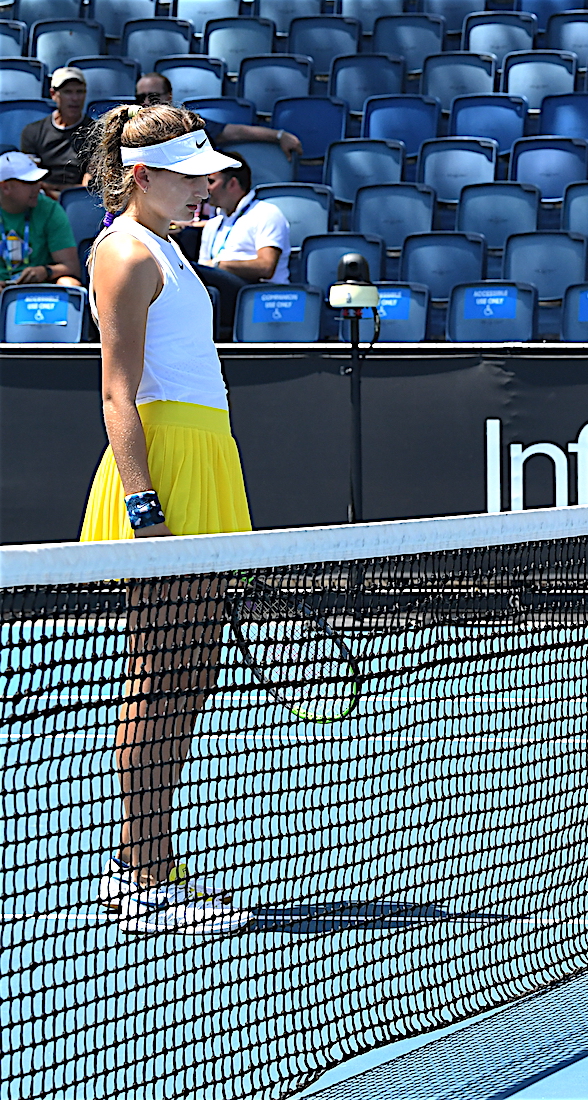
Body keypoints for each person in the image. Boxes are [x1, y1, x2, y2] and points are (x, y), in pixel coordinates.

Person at [80, 103, 253, 935]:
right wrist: (145, 506)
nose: (207, 187)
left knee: (190, 670)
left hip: (205, 453)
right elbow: (118, 390)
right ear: (145, 175)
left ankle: (145, 863)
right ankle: (142, 875)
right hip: (164, 469)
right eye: (192, 177)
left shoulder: (171, 252)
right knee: (161, 675)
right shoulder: (123, 252)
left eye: (209, 175)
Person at [194, 150, 292, 334]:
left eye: (211, 181)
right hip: (222, 293)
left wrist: (218, 265)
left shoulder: (267, 214)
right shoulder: (213, 225)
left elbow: (266, 267)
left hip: (259, 293)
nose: (205, 188)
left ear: (232, 183)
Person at [134, 73, 303, 158]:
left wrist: (279, 136)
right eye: (141, 97)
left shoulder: (188, 125)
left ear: (169, 96)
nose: (147, 102)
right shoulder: (130, 130)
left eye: (154, 96)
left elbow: (236, 132)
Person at [1, 152, 84, 287]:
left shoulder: (50, 209)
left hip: (42, 290)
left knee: (70, 284)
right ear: (5, 187)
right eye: (30, 182)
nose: (38, 187)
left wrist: (45, 271)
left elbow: (72, 267)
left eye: (38, 181)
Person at [19, 68, 94, 199]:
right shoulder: (32, 131)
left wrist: (66, 194)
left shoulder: (95, 132)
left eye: (79, 92)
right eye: (68, 92)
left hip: (79, 199)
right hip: (41, 197)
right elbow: (30, 176)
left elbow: (91, 178)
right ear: (53, 94)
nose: (75, 98)